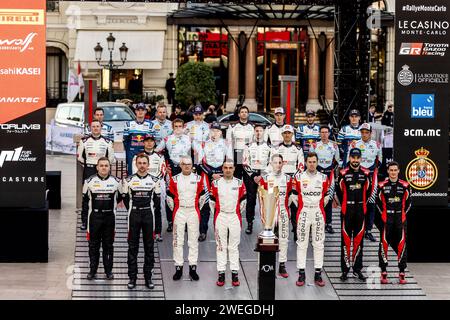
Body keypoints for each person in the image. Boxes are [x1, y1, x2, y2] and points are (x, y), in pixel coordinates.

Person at [166, 156, 208, 281]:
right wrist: (176, 210)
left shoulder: (199, 178)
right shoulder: (174, 179)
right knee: (177, 240)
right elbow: (169, 198)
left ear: (192, 165)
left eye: (189, 164)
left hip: (193, 211)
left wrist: (196, 208)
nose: (187, 166)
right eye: (184, 164)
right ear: (180, 165)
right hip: (179, 211)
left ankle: (192, 268)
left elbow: (202, 198)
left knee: (193, 241)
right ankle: (178, 267)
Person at [123, 154, 161, 290]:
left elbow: (157, 201)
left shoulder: (155, 180)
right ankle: (132, 277)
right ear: (136, 165)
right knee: (132, 248)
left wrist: (147, 209)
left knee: (149, 248)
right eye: (140, 163)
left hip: (148, 215)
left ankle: (148, 277)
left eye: (144, 163)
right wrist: (134, 210)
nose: (142, 165)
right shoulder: (128, 180)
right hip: (134, 214)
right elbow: (126, 200)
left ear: (148, 165)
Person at [82, 157, 123, 280]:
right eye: (101, 165)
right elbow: (85, 201)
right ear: (97, 167)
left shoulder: (117, 181)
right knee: (93, 245)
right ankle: (92, 270)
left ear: (110, 167)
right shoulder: (89, 181)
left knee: (108, 245)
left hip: (109, 217)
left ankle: (108, 271)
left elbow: (120, 197)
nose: (104, 167)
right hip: (94, 217)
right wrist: (84, 220)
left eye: (106, 165)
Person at [293, 152, 330, 287]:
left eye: (314, 162)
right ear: (306, 162)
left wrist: (317, 207)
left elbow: (326, 196)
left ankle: (318, 273)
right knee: (302, 243)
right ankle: (301, 273)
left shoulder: (324, 177)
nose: (312, 164)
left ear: (317, 162)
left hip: (318, 213)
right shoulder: (298, 177)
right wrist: (303, 207)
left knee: (319, 244)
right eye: (310, 162)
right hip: (303, 212)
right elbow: (294, 195)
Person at [336, 148, 372, 281]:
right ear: (349, 158)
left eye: (357, 158)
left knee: (358, 241)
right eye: (353, 157)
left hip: (360, 211)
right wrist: (345, 204)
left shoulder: (366, 173)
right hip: (347, 210)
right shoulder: (343, 173)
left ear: (360, 159)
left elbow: (369, 191)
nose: (355, 160)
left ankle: (357, 270)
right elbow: (339, 192)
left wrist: (362, 205)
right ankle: (345, 271)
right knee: (345, 242)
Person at [210, 160, 246, 287]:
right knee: (220, 246)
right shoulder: (215, 183)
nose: (228, 170)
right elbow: (212, 202)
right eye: (225, 167)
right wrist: (219, 213)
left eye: (230, 168)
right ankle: (221, 274)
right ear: (222, 168)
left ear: (234, 169)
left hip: (235, 216)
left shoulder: (240, 183)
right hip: (221, 216)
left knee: (234, 246)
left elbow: (243, 203)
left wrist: (235, 212)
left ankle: (235, 274)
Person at [376, 161, 411, 285]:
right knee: (383, 245)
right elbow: (378, 203)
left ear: (398, 171)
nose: (393, 172)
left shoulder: (405, 185)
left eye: (395, 170)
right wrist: (384, 215)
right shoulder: (381, 185)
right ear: (388, 171)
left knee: (402, 245)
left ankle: (401, 272)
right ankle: (383, 272)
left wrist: (402, 215)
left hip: (400, 219)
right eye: (391, 170)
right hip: (387, 219)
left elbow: (408, 203)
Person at [259, 154, 294, 278]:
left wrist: (286, 209)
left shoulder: (288, 179)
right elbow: (261, 198)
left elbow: (291, 196)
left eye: (280, 162)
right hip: (270, 213)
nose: (278, 165)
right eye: (275, 162)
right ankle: (268, 265)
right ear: (271, 163)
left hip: (283, 212)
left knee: (284, 239)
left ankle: (282, 265)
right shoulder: (266, 178)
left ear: (283, 163)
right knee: (268, 240)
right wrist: (263, 215)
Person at [196, 122, 232, 241]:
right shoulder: (203, 144)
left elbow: (230, 161)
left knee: (221, 205)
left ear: (221, 132)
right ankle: (202, 231)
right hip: (207, 176)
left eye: (217, 131)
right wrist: (211, 174)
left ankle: (221, 231)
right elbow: (199, 163)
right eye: (212, 130)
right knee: (205, 204)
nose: (215, 133)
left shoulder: (226, 143)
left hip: (222, 176)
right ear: (209, 131)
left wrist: (221, 174)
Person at [155, 118, 192, 233]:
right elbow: (156, 151)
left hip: (185, 169)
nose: (178, 129)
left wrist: (194, 167)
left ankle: (184, 222)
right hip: (172, 170)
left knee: (184, 195)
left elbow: (198, 152)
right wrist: (164, 165)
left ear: (183, 127)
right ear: (172, 127)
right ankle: (170, 222)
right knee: (170, 195)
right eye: (175, 126)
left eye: (180, 126)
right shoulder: (167, 139)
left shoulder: (189, 139)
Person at [77, 120, 115, 230]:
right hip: (89, 169)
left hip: (103, 170)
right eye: (93, 126)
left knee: (104, 194)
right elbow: (79, 156)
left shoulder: (108, 141)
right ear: (90, 128)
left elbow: (111, 158)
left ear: (101, 127)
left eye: (97, 126)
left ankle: (106, 219)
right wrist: (89, 164)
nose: (95, 128)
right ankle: (85, 221)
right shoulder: (84, 141)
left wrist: (102, 167)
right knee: (86, 196)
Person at [269, 124, 305, 240]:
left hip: (293, 180)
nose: (287, 135)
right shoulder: (276, 148)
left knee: (294, 206)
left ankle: (296, 231)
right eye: (285, 133)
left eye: (289, 133)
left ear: (292, 134)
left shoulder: (298, 149)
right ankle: (276, 229)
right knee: (278, 205)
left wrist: (294, 178)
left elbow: (301, 166)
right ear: (282, 135)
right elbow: (272, 164)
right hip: (280, 179)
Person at [348, 123, 382, 242]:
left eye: (366, 132)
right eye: (362, 132)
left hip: (372, 177)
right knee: (356, 203)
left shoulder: (377, 145)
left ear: (370, 133)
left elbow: (380, 162)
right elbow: (349, 162)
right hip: (358, 177)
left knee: (371, 204)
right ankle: (356, 229)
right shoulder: (354, 144)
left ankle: (368, 230)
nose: (364, 134)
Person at [131, 135, 165, 241]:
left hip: (156, 185)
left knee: (157, 208)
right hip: (140, 186)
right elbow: (134, 172)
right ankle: (140, 231)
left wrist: (152, 183)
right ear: (143, 143)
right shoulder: (137, 156)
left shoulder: (160, 157)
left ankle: (158, 233)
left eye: (151, 141)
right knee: (141, 208)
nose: (149, 143)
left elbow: (162, 172)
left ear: (154, 143)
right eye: (147, 141)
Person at [242, 124, 271, 235]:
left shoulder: (270, 146)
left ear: (264, 132)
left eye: (260, 131)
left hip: (265, 176)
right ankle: (250, 223)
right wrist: (254, 176)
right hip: (251, 176)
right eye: (257, 131)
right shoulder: (247, 146)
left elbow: (272, 162)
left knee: (267, 200)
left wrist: (262, 175)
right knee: (251, 200)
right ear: (254, 132)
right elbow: (244, 163)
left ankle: (268, 225)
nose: (258, 133)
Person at [310, 125, 339, 234]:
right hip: (317, 175)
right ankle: (316, 223)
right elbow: (311, 161)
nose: (324, 134)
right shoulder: (314, 145)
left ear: (329, 133)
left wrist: (332, 171)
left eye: (326, 132)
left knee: (329, 199)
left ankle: (329, 224)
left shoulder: (334, 146)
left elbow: (337, 161)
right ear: (319, 134)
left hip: (329, 175)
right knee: (316, 199)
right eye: (322, 132)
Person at [123, 102, 154, 174]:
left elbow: (152, 141)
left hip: (145, 152)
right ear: (135, 111)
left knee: (146, 171)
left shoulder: (150, 125)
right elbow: (125, 141)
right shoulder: (128, 124)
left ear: (145, 111)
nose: (140, 112)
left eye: (142, 110)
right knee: (131, 172)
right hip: (131, 152)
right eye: (138, 110)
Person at [226, 106, 255, 179]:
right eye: (242, 112)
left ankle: (248, 190)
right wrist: (229, 157)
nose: (244, 114)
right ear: (239, 114)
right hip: (238, 153)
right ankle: (238, 190)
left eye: (245, 112)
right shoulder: (233, 126)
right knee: (237, 175)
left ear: (248, 114)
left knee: (248, 176)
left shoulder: (252, 126)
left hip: (248, 154)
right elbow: (228, 142)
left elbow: (254, 142)